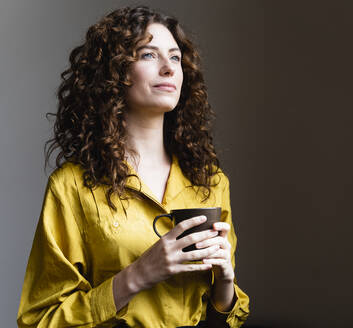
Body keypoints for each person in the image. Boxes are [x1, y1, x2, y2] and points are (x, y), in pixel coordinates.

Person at [17, 5, 250, 328]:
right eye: (149, 55)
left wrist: (225, 280)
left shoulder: (211, 181)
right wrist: (138, 275)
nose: (169, 69)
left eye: (175, 58)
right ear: (117, 72)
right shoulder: (72, 185)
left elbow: (222, 319)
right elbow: (39, 320)